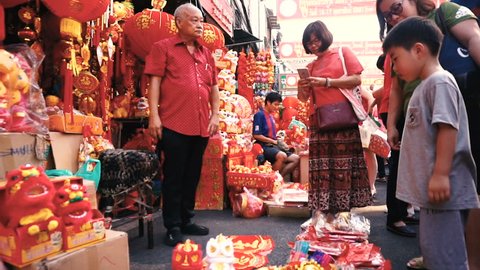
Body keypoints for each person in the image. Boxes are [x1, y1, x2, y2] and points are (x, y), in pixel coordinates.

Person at [376, 0, 480, 267]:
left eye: (396, 59)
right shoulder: (424, 85)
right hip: (433, 193)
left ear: (418, 50)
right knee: (435, 249)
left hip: (443, 191)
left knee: (447, 255)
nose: (395, 68)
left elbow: (447, 129)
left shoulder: (439, 82)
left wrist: (441, 174)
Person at [144, 3, 220, 247]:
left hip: (201, 125)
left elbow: (214, 87)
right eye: (195, 20)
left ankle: (187, 219)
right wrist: (154, 116)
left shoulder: (205, 53)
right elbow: (154, 82)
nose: (200, 25)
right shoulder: (163, 48)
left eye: (201, 21)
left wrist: (215, 115)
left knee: (192, 175)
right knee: (174, 176)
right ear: (179, 22)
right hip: (174, 122)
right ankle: (173, 226)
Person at [297, 20, 372, 215]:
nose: (313, 45)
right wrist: (302, 87)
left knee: (344, 165)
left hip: (343, 118)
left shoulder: (342, 53)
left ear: (325, 37)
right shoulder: (310, 66)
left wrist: (327, 82)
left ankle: (344, 211)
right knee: (322, 168)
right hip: (319, 121)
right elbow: (304, 98)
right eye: (309, 43)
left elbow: (356, 79)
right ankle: (325, 212)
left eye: (316, 40)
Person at [252, 92, 300, 179]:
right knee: (282, 156)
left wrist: (279, 140)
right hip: (264, 145)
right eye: (275, 104)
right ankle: (270, 179)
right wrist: (272, 141)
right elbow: (256, 135)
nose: (277, 107)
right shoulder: (259, 115)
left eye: (278, 105)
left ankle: (278, 178)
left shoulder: (271, 116)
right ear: (268, 103)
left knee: (296, 159)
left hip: (274, 145)